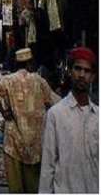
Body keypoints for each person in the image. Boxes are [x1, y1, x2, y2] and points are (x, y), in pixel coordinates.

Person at [0, 48, 60, 193]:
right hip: (35, 145)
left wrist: (5, 112)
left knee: (16, 188)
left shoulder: (8, 80)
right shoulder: (39, 81)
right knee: (33, 187)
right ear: (30, 64)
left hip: (13, 143)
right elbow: (56, 103)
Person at [39, 47, 99, 194]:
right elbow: (48, 166)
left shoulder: (98, 117)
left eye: (87, 71)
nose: (82, 75)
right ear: (70, 72)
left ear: (93, 77)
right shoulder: (56, 115)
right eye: (77, 69)